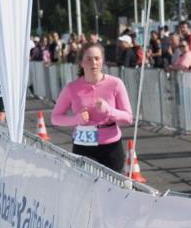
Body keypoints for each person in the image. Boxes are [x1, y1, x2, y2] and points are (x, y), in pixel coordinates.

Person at [50, 41, 134, 174]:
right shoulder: (71, 88)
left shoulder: (116, 84)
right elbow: (55, 118)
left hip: (111, 147)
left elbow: (128, 118)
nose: (93, 63)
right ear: (81, 63)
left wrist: (108, 110)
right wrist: (76, 119)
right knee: (87, 191)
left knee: (113, 190)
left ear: (102, 61)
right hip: (83, 146)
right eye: (88, 59)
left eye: (97, 58)